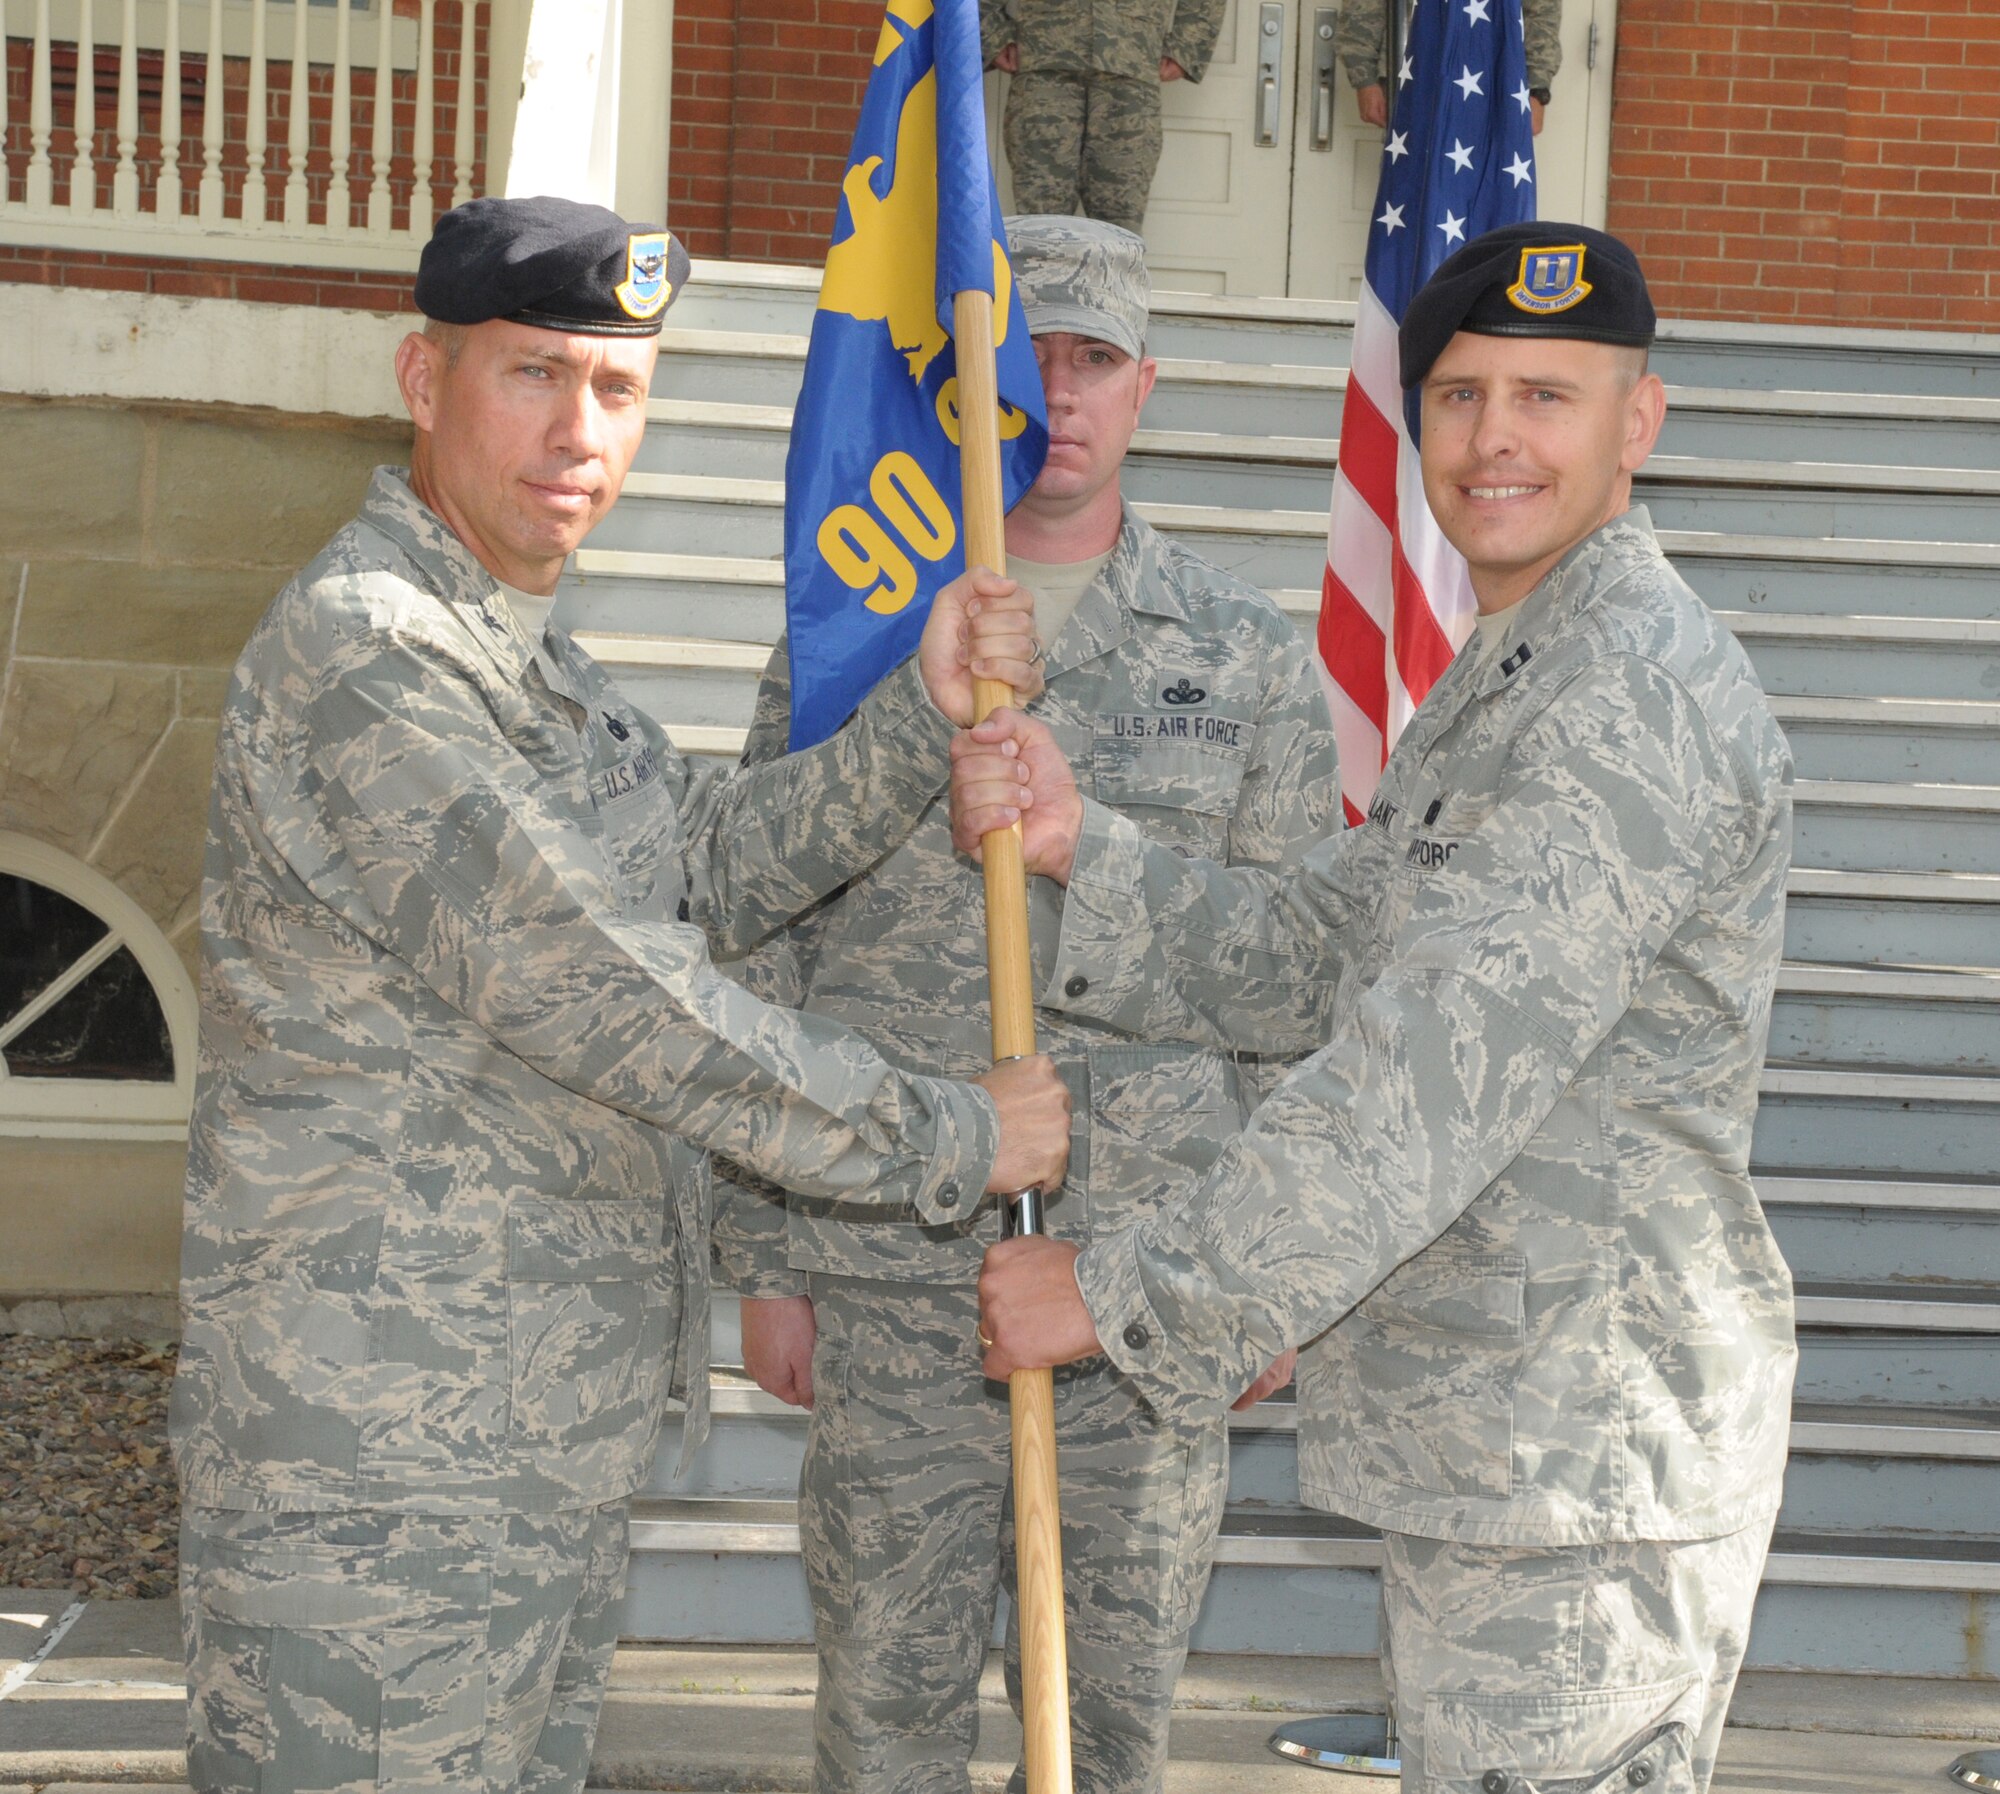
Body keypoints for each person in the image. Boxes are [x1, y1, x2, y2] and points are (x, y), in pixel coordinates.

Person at [171, 194, 1073, 1794]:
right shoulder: (367, 650)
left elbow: (694, 863)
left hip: (524, 1446)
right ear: (423, 376)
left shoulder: (538, 667)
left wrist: (910, 728)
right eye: (532, 375)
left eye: (618, 389)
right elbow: (604, 984)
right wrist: (944, 1132)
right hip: (382, 1464)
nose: (576, 431)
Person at [958, 222, 1796, 1794]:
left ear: (1643, 420)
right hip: (1506, 1463)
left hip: (1576, 1473)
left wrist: (1136, 1290)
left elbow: (1429, 1073)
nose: (1494, 439)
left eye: (1547, 395)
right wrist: (1088, 847)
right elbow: (1313, 951)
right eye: (1462, 394)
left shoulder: (1627, 693)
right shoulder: (1516, 674)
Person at [716, 215, 1334, 1794]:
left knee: (1115, 1725)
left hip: (1142, 1271)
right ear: (962, 389)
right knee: (883, 1718)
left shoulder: (1246, 658)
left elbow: (1298, 969)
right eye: (1022, 360)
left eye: (1094, 361)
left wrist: (1251, 1275)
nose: (1055, 395)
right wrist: (770, 1255)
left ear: (1147, 389)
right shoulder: (853, 644)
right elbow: (760, 932)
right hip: (888, 1254)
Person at [983, 0, 1226, 234]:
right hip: (1045, 58)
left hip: (1131, 61)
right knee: (1040, 223)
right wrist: (991, 34)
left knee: (1119, 227)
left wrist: (1188, 45)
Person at [1339, 0, 1562, 132]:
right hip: (1413, 78)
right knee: (1411, 196)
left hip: (1497, 85)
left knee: (1491, 200)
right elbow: (1364, 7)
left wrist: (1536, 90)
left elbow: (1541, 11)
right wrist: (1363, 77)